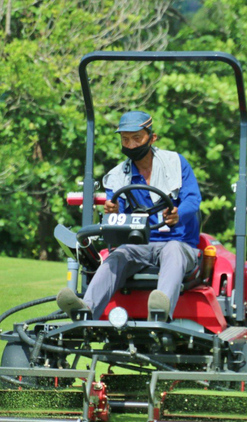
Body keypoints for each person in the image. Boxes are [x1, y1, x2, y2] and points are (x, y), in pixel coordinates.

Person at [57, 110, 202, 321]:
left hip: (178, 242)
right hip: (140, 245)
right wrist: (113, 213)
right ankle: (85, 311)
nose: (131, 145)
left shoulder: (176, 163)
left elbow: (193, 199)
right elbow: (119, 217)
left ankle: (160, 313)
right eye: (125, 140)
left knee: (173, 250)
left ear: (152, 138)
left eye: (137, 138)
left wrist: (179, 214)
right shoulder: (117, 176)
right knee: (117, 256)